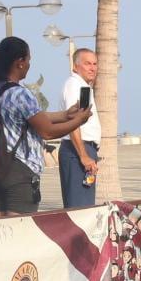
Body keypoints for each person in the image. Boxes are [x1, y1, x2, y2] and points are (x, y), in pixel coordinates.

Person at [0, 37, 92, 216]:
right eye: (28, 60)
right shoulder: (20, 94)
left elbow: (30, 118)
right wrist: (79, 120)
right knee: (19, 229)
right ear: (20, 62)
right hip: (19, 171)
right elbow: (46, 131)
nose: (29, 65)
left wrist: (65, 115)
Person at [58, 48, 101, 208]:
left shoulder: (83, 87)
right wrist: (83, 155)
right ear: (75, 67)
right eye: (87, 63)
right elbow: (73, 121)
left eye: (95, 64)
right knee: (79, 209)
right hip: (77, 151)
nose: (92, 68)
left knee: (84, 206)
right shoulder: (74, 84)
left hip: (84, 149)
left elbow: (81, 119)